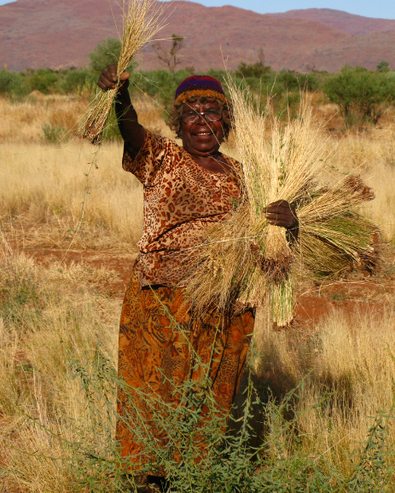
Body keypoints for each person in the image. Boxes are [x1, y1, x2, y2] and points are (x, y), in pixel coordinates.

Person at [97, 66, 298, 489]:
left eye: (213, 112)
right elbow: (129, 128)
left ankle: (193, 478)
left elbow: (271, 242)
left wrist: (291, 224)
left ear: (226, 121)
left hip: (226, 305)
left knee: (211, 398)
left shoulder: (248, 175)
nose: (202, 121)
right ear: (178, 123)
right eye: (191, 112)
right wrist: (120, 94)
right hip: (162, 300)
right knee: (155, 393)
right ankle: (148, 483)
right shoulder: (161, 157)